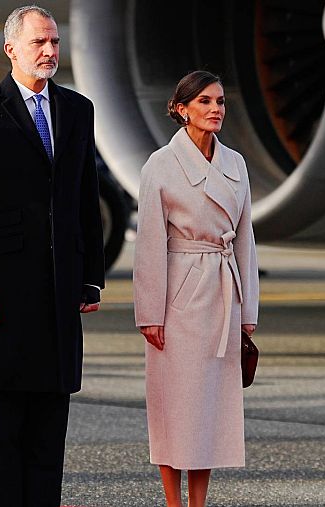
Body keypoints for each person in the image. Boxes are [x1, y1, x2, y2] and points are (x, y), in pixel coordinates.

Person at [0, 5, 105, 505]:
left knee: (50, 428)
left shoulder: (77, 109)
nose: (50, 51)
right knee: (9, 424)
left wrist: (91, 276)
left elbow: (85, 195)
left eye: (54, 42)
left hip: (60, 290)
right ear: (11, 49)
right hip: (4, 294)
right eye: (39, 43)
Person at [133, 70, 260, 507]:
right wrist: (150, 314)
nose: (216, 110)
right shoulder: (160, 165)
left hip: (223, 296)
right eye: (205, 101)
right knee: (175, 408)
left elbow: (245, 239)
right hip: (178, 299)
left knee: (207, 410)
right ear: (182, 109)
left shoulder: (236, 164)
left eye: (220, 101)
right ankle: (172, 502)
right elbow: (149, 242)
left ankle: (198, 504)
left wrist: (248, 313)